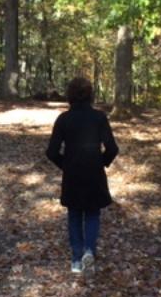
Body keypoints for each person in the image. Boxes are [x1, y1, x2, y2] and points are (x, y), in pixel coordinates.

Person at [46, 77, 119, 273]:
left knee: (75, 214)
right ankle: (89, 251)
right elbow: (112, 148)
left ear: (70, 95)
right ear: (90, 95)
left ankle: (77, 260)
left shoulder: (64, 119)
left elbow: (51, 152)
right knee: (93, 213)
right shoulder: (99, 118)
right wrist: (101, 162)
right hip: (94, 173)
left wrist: (65, 165)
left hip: (72, 174)